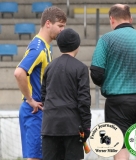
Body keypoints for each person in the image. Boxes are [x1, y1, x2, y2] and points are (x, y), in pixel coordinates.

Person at [90, 3, 136, 160]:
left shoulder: (106, 40)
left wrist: (109, 80)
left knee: (120, 146)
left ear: (111, 19)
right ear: (131, 19)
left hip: (117, 102)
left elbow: (96, 73)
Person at [14, 6, 66, 160]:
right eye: (60, 26)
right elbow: (19, 73)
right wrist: (30, 99)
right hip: (34, 111)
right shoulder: (39, 49)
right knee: (35, 157)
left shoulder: (46, 46)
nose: (62, 30)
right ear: (48, 23)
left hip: (41, 111)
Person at [41, 28, 91, 160]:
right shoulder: (81, 68)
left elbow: (43, 95)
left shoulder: (49, 67)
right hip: (72, 127)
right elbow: (84, 100)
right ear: (77, 45)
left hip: (50, 126)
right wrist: (86, 126)